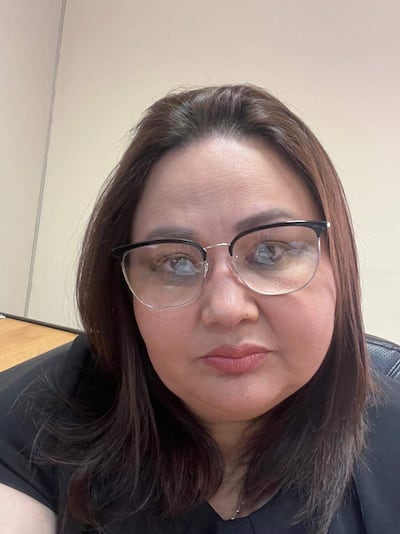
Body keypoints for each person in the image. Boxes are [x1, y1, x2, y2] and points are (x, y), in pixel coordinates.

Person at [1, 84, 399, 534]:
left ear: (337, 264)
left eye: (270, 251)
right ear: (123, 292)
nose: (227, 309)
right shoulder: (39, 416)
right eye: (176, 262)